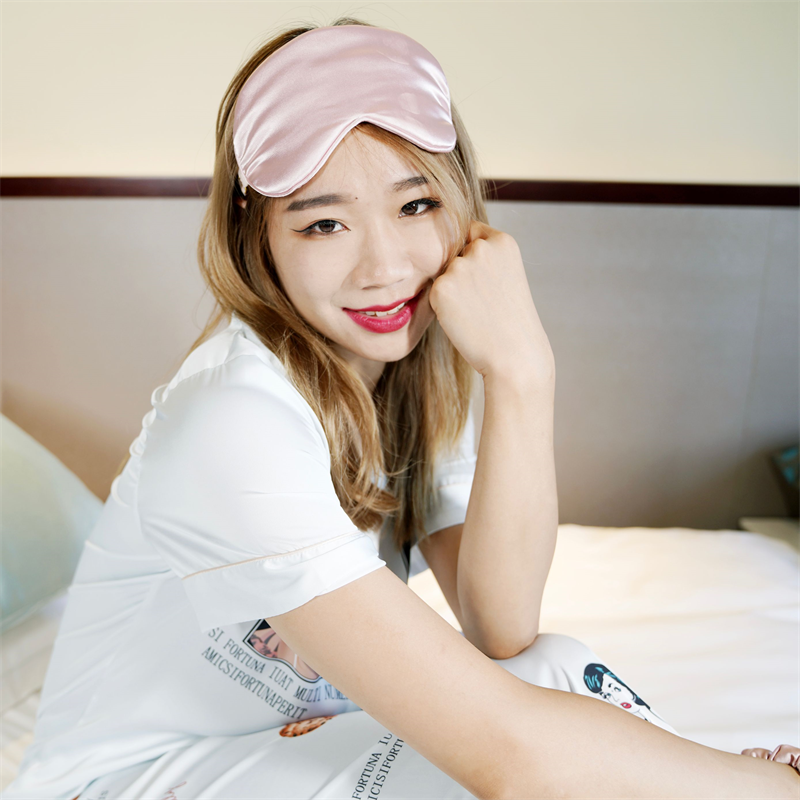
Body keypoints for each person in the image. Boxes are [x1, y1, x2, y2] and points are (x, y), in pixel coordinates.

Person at [5, 17, 799, 800]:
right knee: (538, 752)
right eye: (324, 223)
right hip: (129, 782)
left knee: (552, 672)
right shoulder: (232, 421)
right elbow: (512, 758)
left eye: (415, 206)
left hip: (269, 750)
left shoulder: (404, 374)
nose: (384, 268)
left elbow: (502, 627)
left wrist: (523, 374)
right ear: (258, 235)